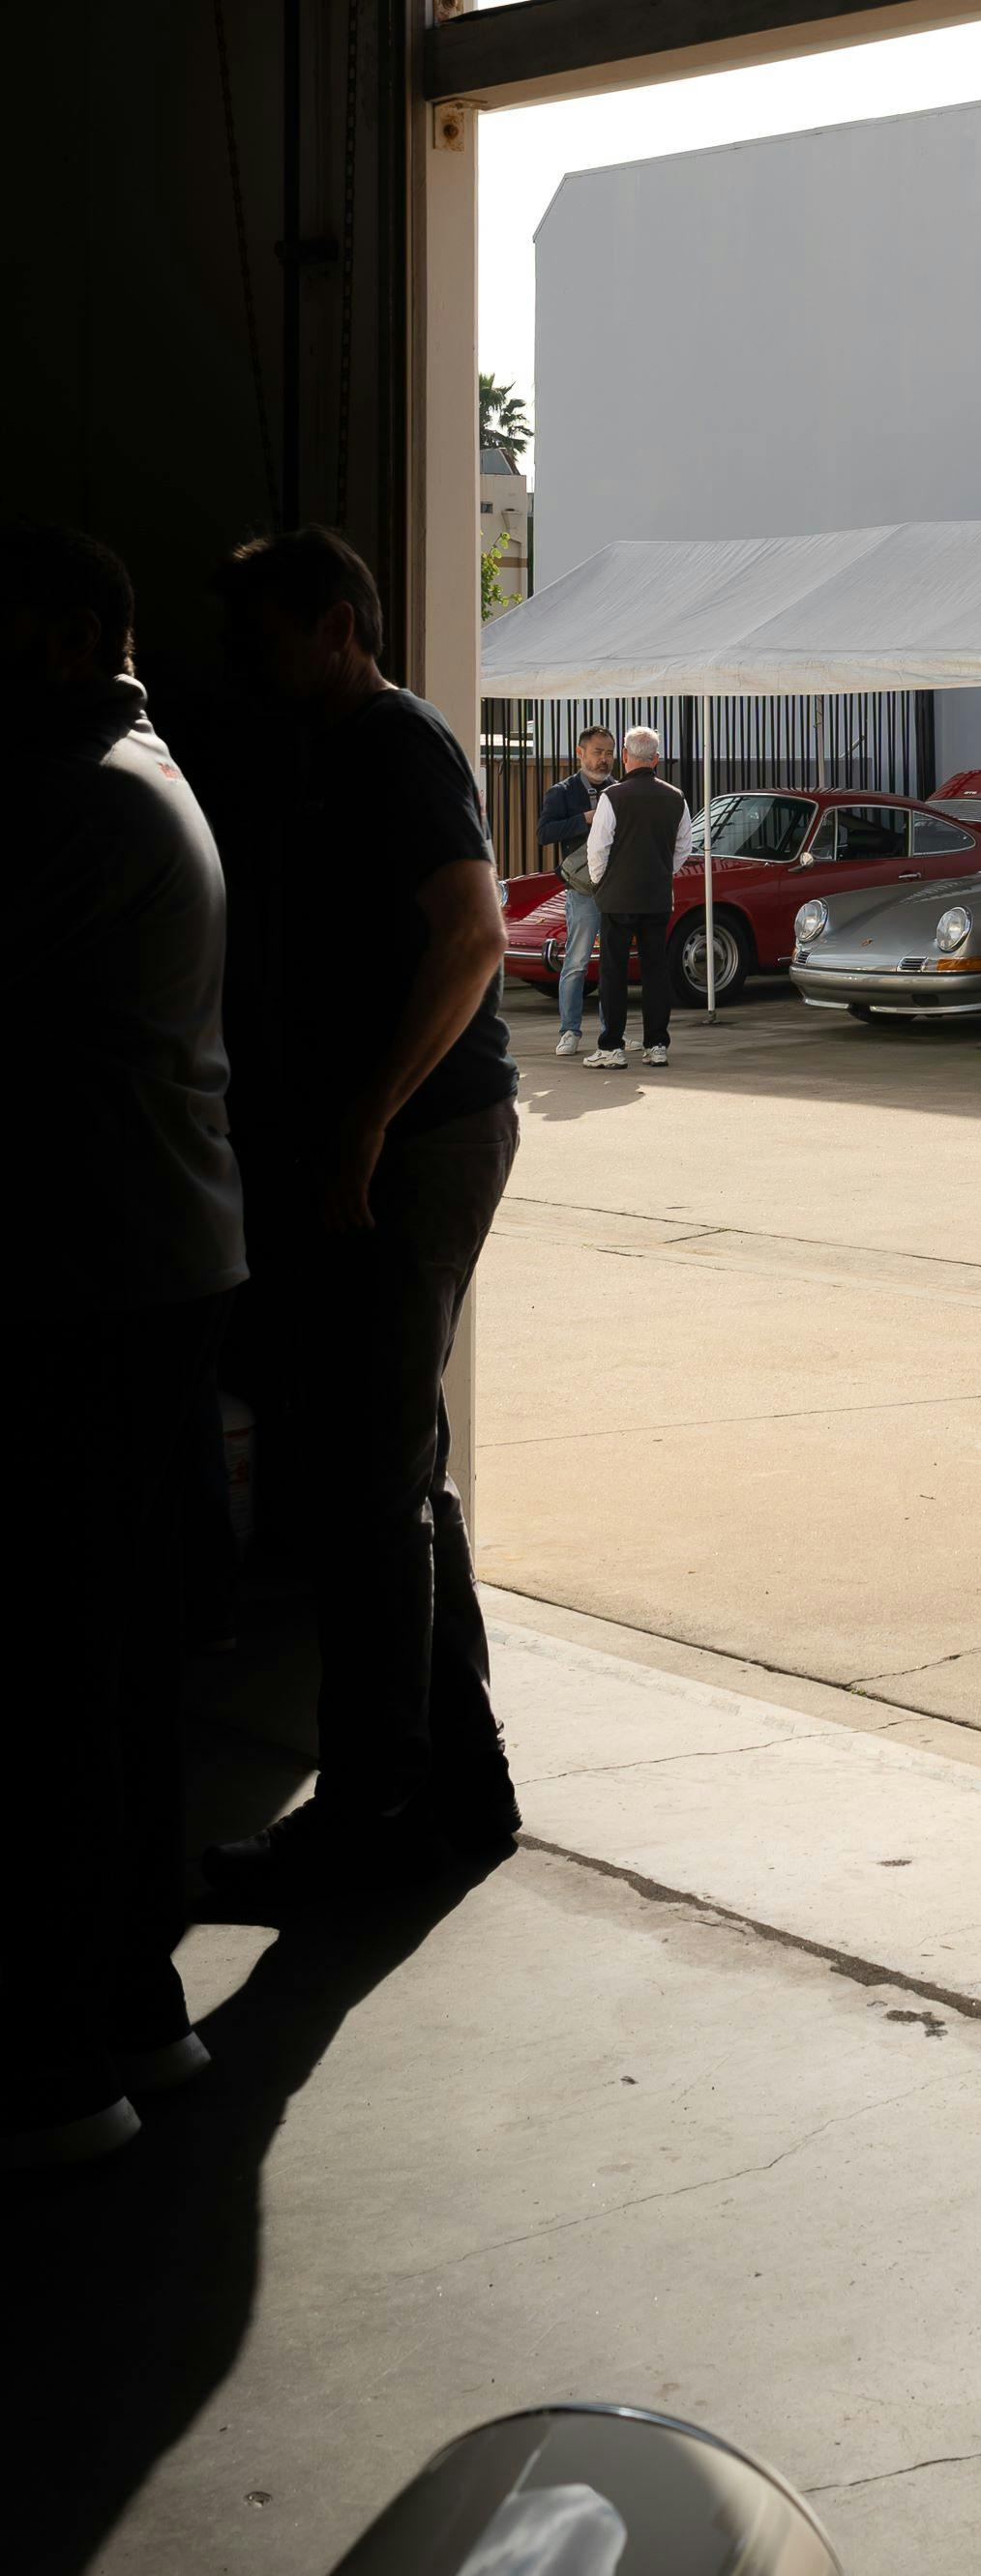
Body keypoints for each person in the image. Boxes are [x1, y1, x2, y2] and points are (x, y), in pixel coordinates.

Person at [200, 525, 520, 1915]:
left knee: (361, 1487)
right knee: (390, 1468)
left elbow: (474, 932)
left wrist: (372, 1117)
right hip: (388, 1143)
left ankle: (374, 1811)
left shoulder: (394, 744)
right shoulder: (338, 753)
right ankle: (461, 1782)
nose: (246, 663)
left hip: (418, 1146)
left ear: (336, 625)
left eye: (265, 634)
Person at [7, 524, 245, 2166]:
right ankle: (139, 2013)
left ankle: (57, 2057)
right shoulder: (139, 762)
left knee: (58, 1680)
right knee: (121, 1665)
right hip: (145, 1265)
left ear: (81, 632)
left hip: (91, 1274)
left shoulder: (84, 798)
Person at [585, 725, 693, 1071]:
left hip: (617, 898)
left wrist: (602, 884)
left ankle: (611, 1046)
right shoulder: (676, 797)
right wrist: (662, 873)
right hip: (657, 897)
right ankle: (657, 1044)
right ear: (657, 759)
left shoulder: (612, 797)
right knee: (655, 971)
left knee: (613, 972)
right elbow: (683, 849)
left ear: (627, 757)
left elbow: (597, 848)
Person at [537, 724, 618, 1054]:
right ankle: (569, 1030)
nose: (604, 759)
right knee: (576, 962)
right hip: (582, 888)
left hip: (616, 887)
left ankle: (611, 1031)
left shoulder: (618, 790)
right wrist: (584, 819)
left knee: (613, 963)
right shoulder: (562, 791)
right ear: (580, 753)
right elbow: (544, 833)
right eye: (598, 752)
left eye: (610, 753)